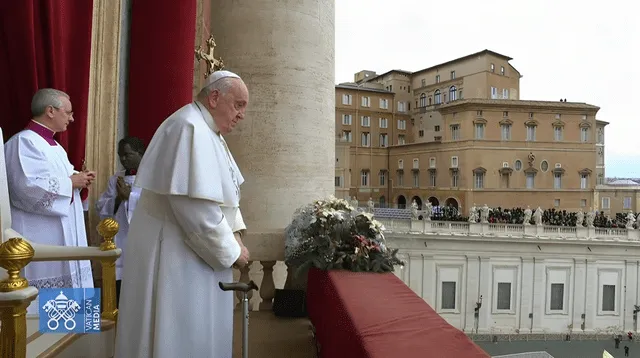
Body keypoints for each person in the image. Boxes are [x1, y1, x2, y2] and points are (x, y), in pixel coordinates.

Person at [114, 70, 251, 358]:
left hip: (196, 254)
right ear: (214, 97)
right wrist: (231, 250)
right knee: (179, 332)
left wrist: (237, 235)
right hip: (175, 254)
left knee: (200, 330)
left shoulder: (210, 132)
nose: (241, 115)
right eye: (238, 104)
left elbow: (227, 196)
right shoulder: (187, 127)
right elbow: (194, 207)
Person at [3, 88, 96, 315]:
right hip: (40, 233)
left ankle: (76, 342)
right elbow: (26, 188)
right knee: (47, 312)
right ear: (50, 111)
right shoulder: (23, 143)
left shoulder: (54, 146)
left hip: (65, 232)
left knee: (74, 309)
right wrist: (70, 183)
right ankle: (48, 343)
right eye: (69, 112)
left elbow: (56, 177)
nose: (72, 118)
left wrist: (79, 179)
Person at [95, 136, 145, 306]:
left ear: (140, 153)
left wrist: (130, 197)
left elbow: (155, 207)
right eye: (120, 155)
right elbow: (101, 206)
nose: (123, 159)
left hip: (142, 239)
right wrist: (117, 199)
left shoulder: (152, 177)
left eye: (127, 155)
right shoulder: (115, 179)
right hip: (121, 238)